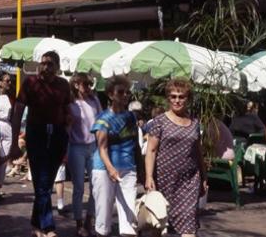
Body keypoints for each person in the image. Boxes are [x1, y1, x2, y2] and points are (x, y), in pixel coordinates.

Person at [9, 51, 71, 237]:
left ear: (57, 67)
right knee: (41, 182)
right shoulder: (30, 83)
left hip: (58, 136)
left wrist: (67, 133)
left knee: (46, 183)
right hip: (37, 134)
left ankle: (36, 225)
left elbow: (68, 109)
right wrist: (14, 143)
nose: (45, 67)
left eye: (49, 64)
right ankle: (48, 227)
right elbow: (18, 112)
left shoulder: (63, 85)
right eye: (42, 63)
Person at [145, 78, 207, 237]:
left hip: (189, 181)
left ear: (188, 98)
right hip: (164, 181)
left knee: (188, 226)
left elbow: (198, 152)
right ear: (168, 98)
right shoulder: (160, 122)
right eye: (173, 96)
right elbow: (151, 151)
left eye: (181, 96)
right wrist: (148, 176)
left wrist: (204, 177)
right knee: (159, 225)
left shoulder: (194, 123)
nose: (177, 100)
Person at [90, 75, 138, 237]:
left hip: (128, 168)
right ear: (110, 94)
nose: (125, 95)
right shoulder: (103, 119)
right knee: (103, 214)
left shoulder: (131, 116)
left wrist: (144, 172)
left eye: (127, 92)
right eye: (120, 92)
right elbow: (102, 148)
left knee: (130, 216)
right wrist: (111, 169)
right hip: (104, 169)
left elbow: (136, 145)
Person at [67, 72, 102, 236]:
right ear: (76, 85)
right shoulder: (70, 103)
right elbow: (66, 127)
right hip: (76, 148)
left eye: (89, 84)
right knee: (79, 187)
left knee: (96, 186)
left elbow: (101, 121)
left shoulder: (94, 100)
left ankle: (89, 219)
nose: (88, 87)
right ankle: (78, 223)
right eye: (85, 84)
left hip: (94, 146)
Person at [0, 72, 14, 200]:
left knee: (4, 159)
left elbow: (15, 115)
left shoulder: (11, 98)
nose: (9, 83)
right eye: (7, 81)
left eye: (10, 81)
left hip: (7, 127)